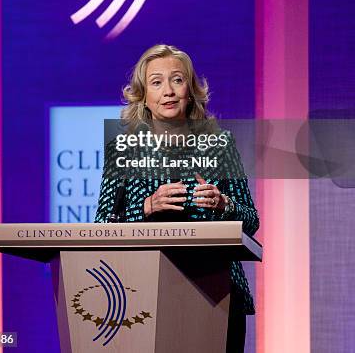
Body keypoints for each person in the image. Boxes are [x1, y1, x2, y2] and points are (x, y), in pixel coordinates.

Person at [95, 44, 259, 352]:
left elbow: (251, 221)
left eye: (177, 80)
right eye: (156, 82)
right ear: (143, 95)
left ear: (191, 89)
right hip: (144, 290)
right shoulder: (123, 150)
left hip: (218, 290)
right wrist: (145, 207)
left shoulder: (220, 145)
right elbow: (103, 225)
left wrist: (224, 205)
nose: (168, 91)